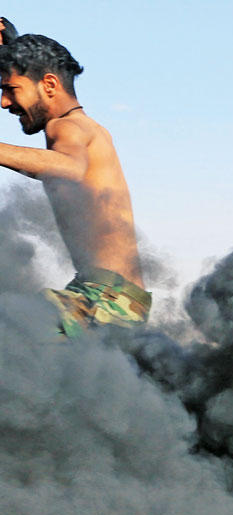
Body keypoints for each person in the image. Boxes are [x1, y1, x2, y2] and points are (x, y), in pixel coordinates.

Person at [0, 33, 150, 335]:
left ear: (51, 85)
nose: (4, 103)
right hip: (104, 294)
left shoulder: (66, 126)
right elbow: (33, 67)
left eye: (10, 90)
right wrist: (9, 40)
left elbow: (68, 167)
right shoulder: (83, 125)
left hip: (107, 300)